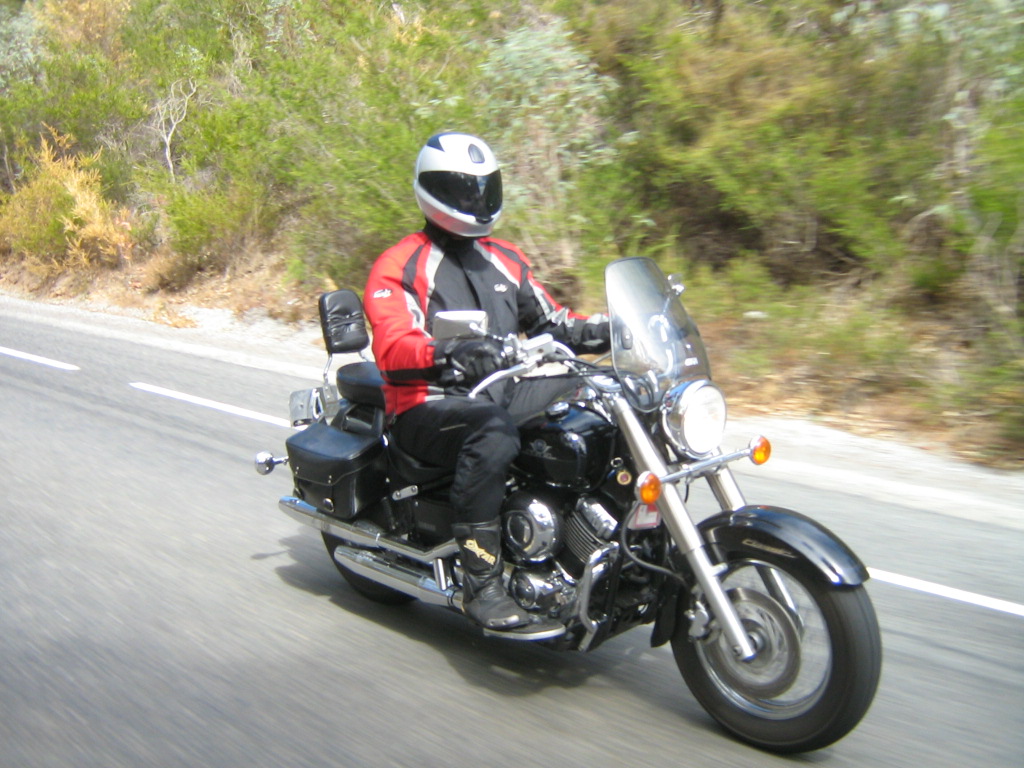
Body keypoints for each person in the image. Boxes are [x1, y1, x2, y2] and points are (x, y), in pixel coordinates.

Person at [363, 132, 609, 633]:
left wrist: (612, 328)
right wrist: (451, 352)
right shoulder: (401, 264)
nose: (474, 199)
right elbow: (392, 348)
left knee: (603, 394)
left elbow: (554, 323)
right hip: (427, 404)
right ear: (432, 190)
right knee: (492, 431)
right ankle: (482, 583)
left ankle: (594, 536)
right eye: (462, 189)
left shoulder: (505, 258)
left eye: (482, 188)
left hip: (498, 392)